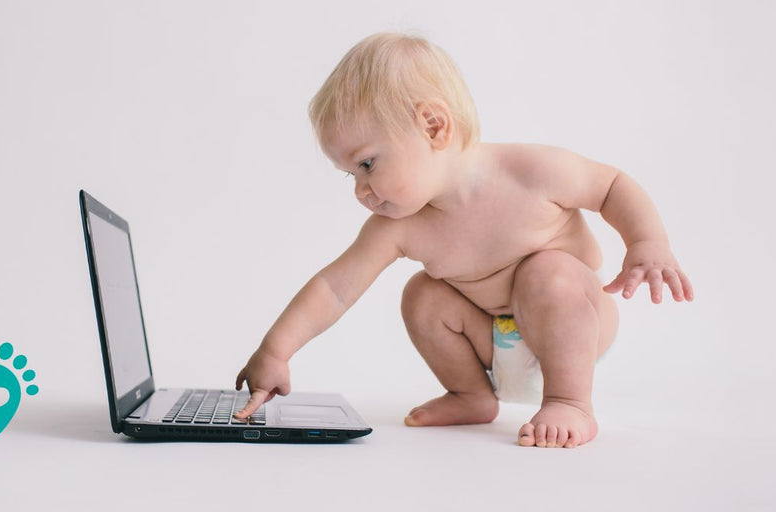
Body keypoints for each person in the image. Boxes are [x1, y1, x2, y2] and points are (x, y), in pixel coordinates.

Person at [234, 32, 693, 448]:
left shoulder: (531, 172)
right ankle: (471, 394)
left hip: (573, 330)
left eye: (368, 164)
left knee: (547, 270)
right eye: (350, 175)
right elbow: (335, 287)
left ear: (433, 126)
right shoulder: (400, 227)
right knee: (423, 293)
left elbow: (612, 186)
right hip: (491, 340)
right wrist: (275, 351)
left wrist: (646, 242)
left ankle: (571, 402)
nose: (360, 189)